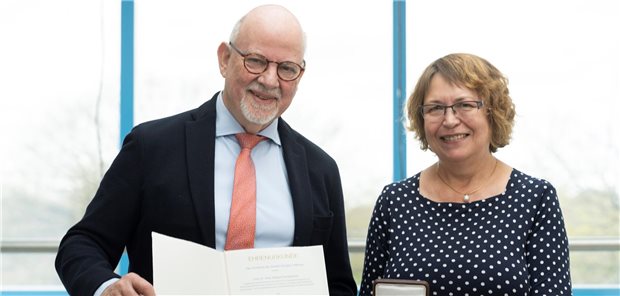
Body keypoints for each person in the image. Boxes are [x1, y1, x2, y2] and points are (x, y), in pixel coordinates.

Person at [55, 4, 357, 296]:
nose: (269, 80)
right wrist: (107, 288)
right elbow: (82, 244)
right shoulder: (151, 147)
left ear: (300, 76)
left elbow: (339, 285)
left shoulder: (321, 170)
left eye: (287, 69)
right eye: (256, 61)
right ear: (224, 59)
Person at [359, 53, 572, 295]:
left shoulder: (535, 199)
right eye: (436, 108)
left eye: (465, 105)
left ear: (493, 112)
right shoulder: (394, 201)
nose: (450, 120)